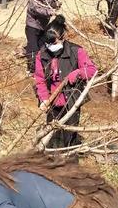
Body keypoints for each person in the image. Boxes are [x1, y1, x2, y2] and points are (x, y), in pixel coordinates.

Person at [34, 15, 96, 148]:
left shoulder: (76, 51)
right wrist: (44, 99)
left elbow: (91, 70)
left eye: (54, 43)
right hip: (52, 101)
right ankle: (52, 162)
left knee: (70, 136)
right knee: (52, 136)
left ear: (63, 38)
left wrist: (77, 73)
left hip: (71, 100)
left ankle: (70, 162)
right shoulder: (42, 55)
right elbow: (39, 79)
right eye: (48, 43)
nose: (50, 47)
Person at [25, 0, 62, 74]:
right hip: (33, 23)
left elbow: (50, 4)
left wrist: (56, 5)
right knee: (33, 48)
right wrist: (49, 12)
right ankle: (32, 70)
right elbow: (34, 8)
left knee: (42, 47)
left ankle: (42, 68)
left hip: (43, 24)